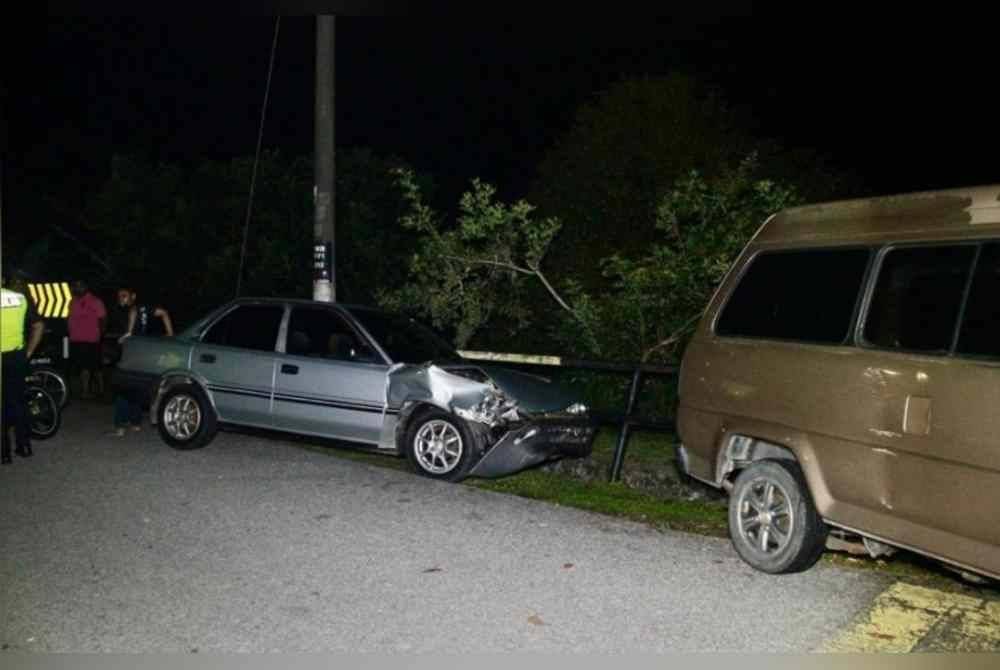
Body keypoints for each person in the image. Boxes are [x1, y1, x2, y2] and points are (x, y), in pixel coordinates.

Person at [110, 286, 173, 436]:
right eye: (119, 296)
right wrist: (170, 334)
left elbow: (130, 329)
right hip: (142, 352)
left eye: (124, 295)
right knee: (135, 387)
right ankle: (135, 423)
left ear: (133, 296)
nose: (121, 299)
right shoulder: (142, 309)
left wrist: (126, 335)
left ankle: (120, 426)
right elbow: (163, 313)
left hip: (132, 352)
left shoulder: (133, 309)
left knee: (123, 388)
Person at [1, 271, 45, 464]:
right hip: (17, 356)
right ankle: (24, 446)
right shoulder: (19, 298)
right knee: (18, 401)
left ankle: (4, 453)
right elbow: (39, 326)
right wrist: (28, 352)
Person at [67, 279, 107, 399]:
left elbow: (103, 319)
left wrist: (101, 334)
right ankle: (88, 390)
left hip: (91, 339)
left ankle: (97, 390)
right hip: (76, 338)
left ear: (86, 287)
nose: (77, 288)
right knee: (83, 366)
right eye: (75, 286)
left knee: (95, 366)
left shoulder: (95, 301)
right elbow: (69, 318)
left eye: (80, 286)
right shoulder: (72, 301)